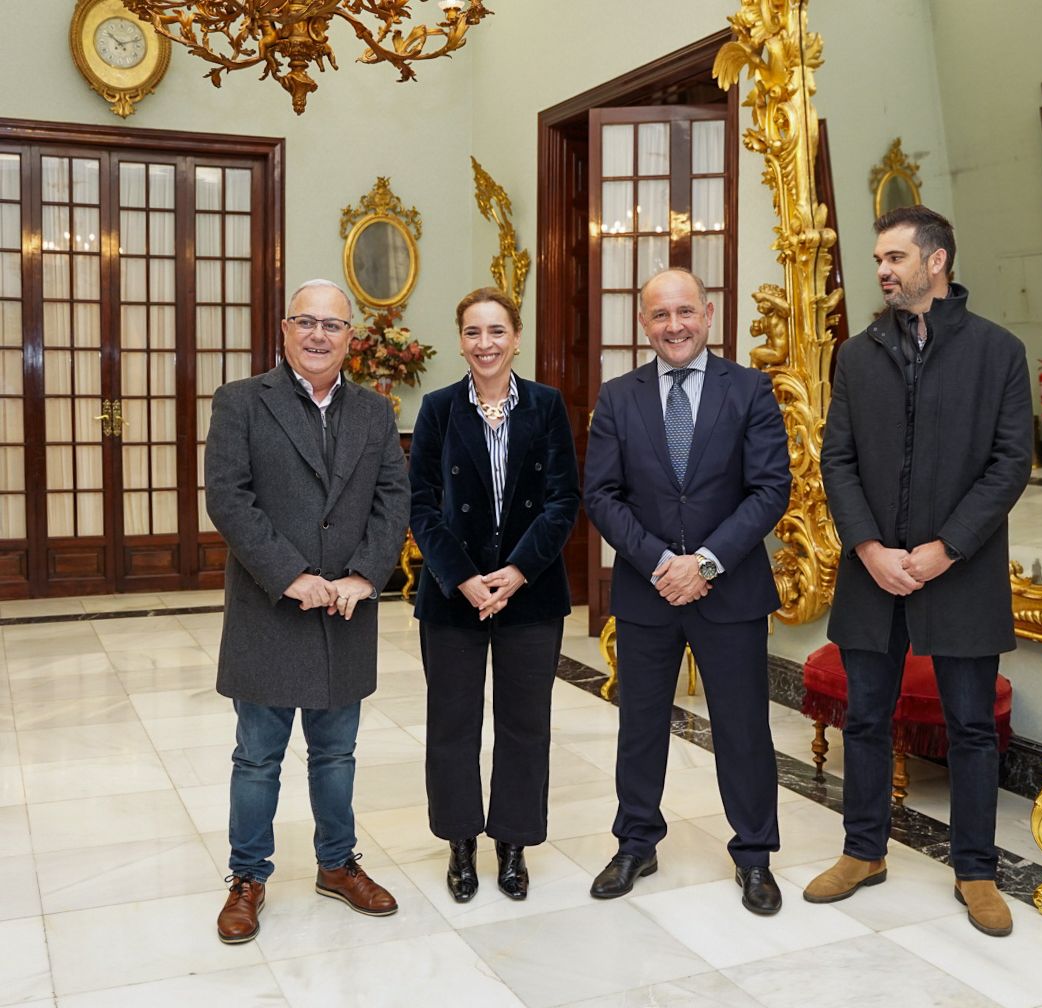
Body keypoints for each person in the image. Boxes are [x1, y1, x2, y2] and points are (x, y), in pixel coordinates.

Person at [804, 206, 1032, 937]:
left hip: (961, 572)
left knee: (971, 727)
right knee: (866, 718)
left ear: (936, 261)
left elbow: (1010, 464)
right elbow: (837, 459)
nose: (882, 269)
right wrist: (869, 548)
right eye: (879, 258)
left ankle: (975, 871)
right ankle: (862, 852)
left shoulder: (998, 352)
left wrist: (946, 549)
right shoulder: (857, 353)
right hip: (872, 572)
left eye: (895, 257)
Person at [205, 279, 410, 944]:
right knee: (257, 758)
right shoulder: (241, 401)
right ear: (285, 330)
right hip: (268, 608)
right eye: (307, 322)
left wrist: (365, 574)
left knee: (336, 753)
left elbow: (392, 499)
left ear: (351, 338)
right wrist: (289, 574)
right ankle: (247, 878)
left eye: (333, 325)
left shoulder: (374, 412)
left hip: (344, 612)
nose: (319, 334)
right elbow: (228, 498)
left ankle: (337, 864)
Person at [583, 267, 792, 915]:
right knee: (639, 726)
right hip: (646, 593)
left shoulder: (749, 389)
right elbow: (601, 495)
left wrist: (704, 563)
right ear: (643, 323)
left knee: (743, 728)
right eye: (659, 315)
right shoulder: (618, 397)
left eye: (684, 312)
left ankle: (754, 855)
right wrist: (659, 564)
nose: (673, 326)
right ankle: (635, 843)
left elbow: (770, 490)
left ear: (707, 314)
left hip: (730, 591)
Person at [409, 287, 579, 904]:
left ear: (517, 337)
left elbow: (563, 500)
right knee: (452, 725)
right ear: (460, 341)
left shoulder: (547, 405)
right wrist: (462, 576)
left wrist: (518, 572)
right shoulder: (437, 410)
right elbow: (421, 504)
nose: (486, 344)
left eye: (497, 331)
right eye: (474, 332)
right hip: (452, 593)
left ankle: (513, 844)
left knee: (525, 725)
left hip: (530, 593)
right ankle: (460, 843)